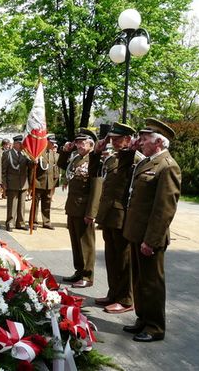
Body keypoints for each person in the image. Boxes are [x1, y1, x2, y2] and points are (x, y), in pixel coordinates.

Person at [122, 118, 181, 343]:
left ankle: (155, 326)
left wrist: (151, 240)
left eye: (145, 139)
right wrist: (132, 150)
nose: (140, 141)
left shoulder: (168, 166)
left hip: (150, 237)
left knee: (152, 283)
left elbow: (164, 210)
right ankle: (143, 318)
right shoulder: (147, 162)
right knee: (139, 280)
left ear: (158, 142)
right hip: (137, 233)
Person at [91, 122, 137, 314]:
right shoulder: (112, 159)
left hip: (122, 217)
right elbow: (95, 174)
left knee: (124, 260)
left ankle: (126, 299)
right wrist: (95, 153)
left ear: (128, 139)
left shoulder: (135, 159)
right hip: (108, 215)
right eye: (112, 139)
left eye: (117, 139)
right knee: (111, 258)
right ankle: (114, 293)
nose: (114, 143)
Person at [57, 129, 102, 288]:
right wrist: (65, 151)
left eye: (82, 142)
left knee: (86, 243)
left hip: (84, 208)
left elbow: (96, 188)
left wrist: (91, 213)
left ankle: (87, 276)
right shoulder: (76, 158)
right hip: (73, 206)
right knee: (76, 242)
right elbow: (61, 164)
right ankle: (79, 271)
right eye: (77, 142)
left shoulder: (95, 160)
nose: (79, 145)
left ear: (91, 144)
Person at [29, 134, 58, 230]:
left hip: (49, 183)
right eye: (52, 142)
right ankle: (33, 221)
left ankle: (46, 222)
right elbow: (32, 169)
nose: (53, 144)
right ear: (47, 141)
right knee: (35, 203)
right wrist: (31, 182)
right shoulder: (39, 152)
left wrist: (54, 183)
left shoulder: (53, 153)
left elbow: (55, 169)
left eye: (54, 143)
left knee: (47, 203)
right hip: (38, 182)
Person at [2, 135, 30, 231]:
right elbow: (3, 170)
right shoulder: (7, 154)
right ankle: (10, 223)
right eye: (21, 144)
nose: (22, 146)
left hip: (23, 183)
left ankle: (21, 223)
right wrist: (4, 183)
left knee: (22, 205)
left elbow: (30, 165)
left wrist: (34, 160)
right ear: (15, 144)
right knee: (12, 204)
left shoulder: (25, 154)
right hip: (11, 182)